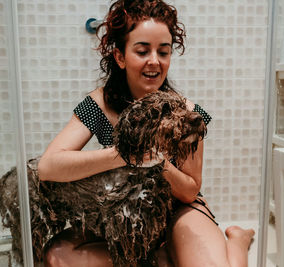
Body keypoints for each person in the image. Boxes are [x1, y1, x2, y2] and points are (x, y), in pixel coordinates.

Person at [37, 0, 255, 266]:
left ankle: (238, 240)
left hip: (179, 212)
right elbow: (48, 167)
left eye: (163, 52)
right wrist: (123, 156)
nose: (154, 61)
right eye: (142, 51)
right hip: (125, 219)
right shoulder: (99, 105)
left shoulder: (187, 112)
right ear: (120, 57)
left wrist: (157, 162)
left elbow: (189, 190)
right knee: (57, 256)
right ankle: (162, 258)